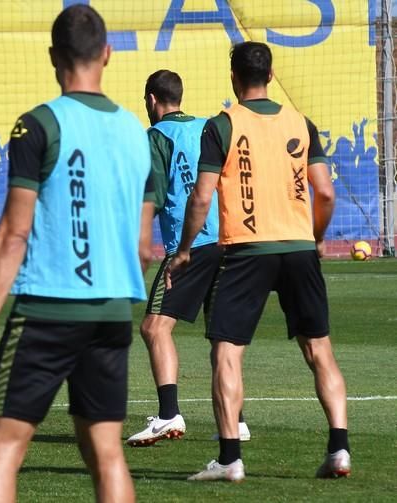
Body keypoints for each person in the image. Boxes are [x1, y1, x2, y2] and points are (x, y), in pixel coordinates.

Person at [0, 5, 154, 501]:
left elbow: (12, 232)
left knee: (3, 450)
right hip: (113, 309)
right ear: (108, 54)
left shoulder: (38, 125)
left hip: (48, 307)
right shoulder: (138, 132)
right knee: (106, 454)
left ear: (53, 56)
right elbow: (142, 245)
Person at [168, 41, 350, 481]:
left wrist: (185, 249)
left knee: (227, 353)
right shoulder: (301, 123)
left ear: (234, 77)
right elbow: (324, 192)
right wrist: (318, 238)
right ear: (270, 75)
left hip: (247, 250)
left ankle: (230, 459)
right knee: (319, 349)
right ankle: (339, 449)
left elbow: (202, 196)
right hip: (299, 248)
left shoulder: (222, 124)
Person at [126, 69, 250, 447]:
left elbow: (157, 194)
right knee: (223, 338)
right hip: (230, 239)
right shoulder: (209, 127)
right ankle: (237, 421)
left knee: (153, 328)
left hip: (191, 245)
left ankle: (167, 415)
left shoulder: (156, 137)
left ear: (151, 100)